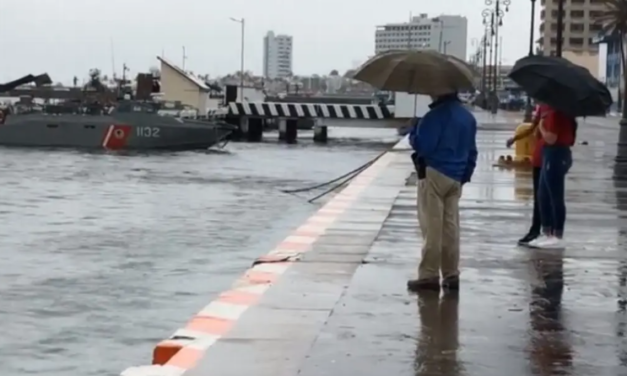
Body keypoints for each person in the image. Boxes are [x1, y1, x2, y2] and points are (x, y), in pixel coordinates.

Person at [407, 92, 478, 292]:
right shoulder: (468, 117)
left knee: (432, 227)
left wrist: (414, 130)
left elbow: (424, 147)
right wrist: (464, 175)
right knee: (450, 228)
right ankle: (451, 273)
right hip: (456, 177)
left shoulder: (434, 117)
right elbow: (472, 151)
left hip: (434, 174)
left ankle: (429, 275)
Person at [528, 106, 576, 249]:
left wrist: (541, 127)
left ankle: (557, 234)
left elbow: (551, 138)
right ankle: (547, 232)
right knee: (543, 194)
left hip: (556, 153)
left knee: (555, 194)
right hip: (550, 154)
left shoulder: (555, 114)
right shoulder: (553, 112)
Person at [506, 103, 551, 245]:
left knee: (548, 197)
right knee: (539, 196)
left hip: (550, 156)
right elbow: (532, 128)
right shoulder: (543, 107)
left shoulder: (556, 110)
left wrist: (542, 127)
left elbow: (552, 136)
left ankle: (547, 231)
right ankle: (536, 229)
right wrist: (515, 138)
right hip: (539, 157)